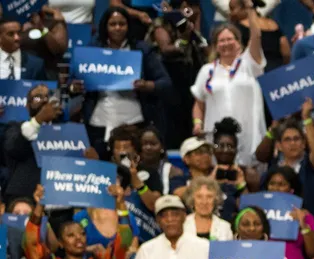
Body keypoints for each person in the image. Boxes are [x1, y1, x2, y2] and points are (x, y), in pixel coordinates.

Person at [75, 7, 172, 156]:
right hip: (98, 121)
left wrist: (146, 85)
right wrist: (74, 87)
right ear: (105, 27)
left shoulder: (141, 49)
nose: (117, 28)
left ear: (128, 26)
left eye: (122, 24)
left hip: (134, 121)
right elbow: (72, 83)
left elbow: (165, 82)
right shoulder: (93, 49)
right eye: (113, 24)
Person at [191, 18, 266, 167]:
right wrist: (197, 124)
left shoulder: (250, 64)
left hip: (249, 132)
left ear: (239, 42)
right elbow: (199, 104)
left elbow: (256, 35)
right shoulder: (207, 71)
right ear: (216, 46)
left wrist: (250, 10)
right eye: (221, 41)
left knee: (251, 174)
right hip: (217, 136)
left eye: (230, 39)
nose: (226, 44)